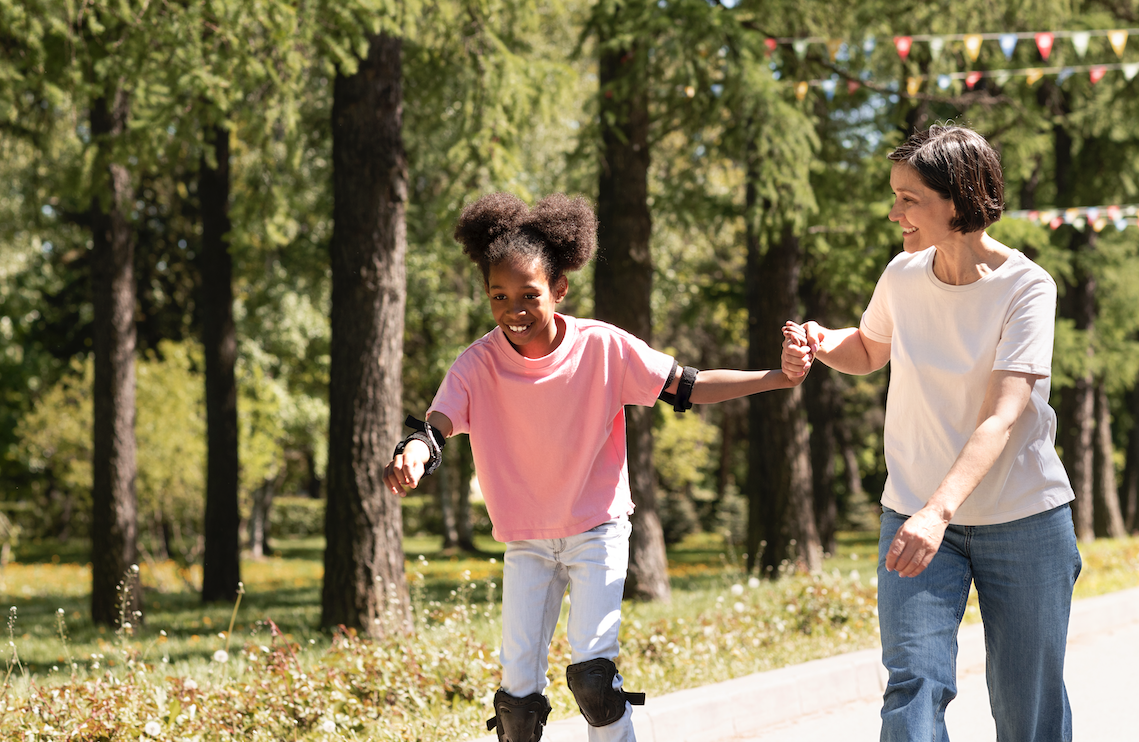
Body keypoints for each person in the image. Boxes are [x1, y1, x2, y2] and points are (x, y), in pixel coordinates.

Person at [383, 192, 813, 742]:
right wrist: (415, 451)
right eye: (498, 296)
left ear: (559, 290)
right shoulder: (477, 364)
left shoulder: (603, 347)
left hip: (597, 530)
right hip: (528, 540)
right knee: (516, 703)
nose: (512, 309)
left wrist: (775, 377)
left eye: (528, 294)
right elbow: (435, 426)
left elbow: (688, 384)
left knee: (593, 679)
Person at [782, 124, 1081, 742]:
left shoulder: (1027, 287)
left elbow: (1003, 413)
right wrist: (820, 339)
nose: (894, 213)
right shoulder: (903, 275)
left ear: (958, 200)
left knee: (1030, 707)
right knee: (913, 686)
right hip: (914, 511)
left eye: (908, 198)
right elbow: (868, 348)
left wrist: (940, 510)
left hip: (1020, 519)